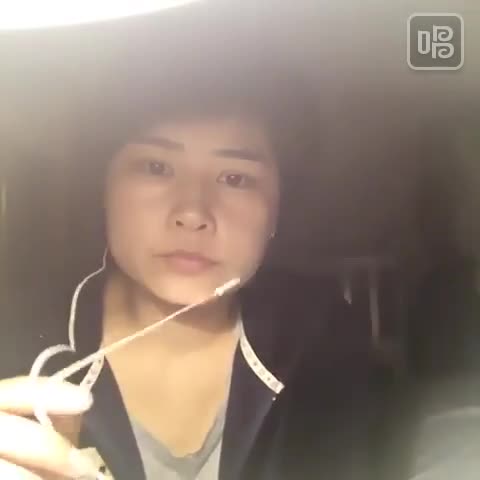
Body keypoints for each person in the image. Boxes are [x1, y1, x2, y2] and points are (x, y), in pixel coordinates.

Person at [0, 71, 376, 479]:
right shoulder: (15, 341)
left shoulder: (330, 345)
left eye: (235, 178)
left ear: (277, 208)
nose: (193, 213)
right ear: (105, 186)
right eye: (156, 167)